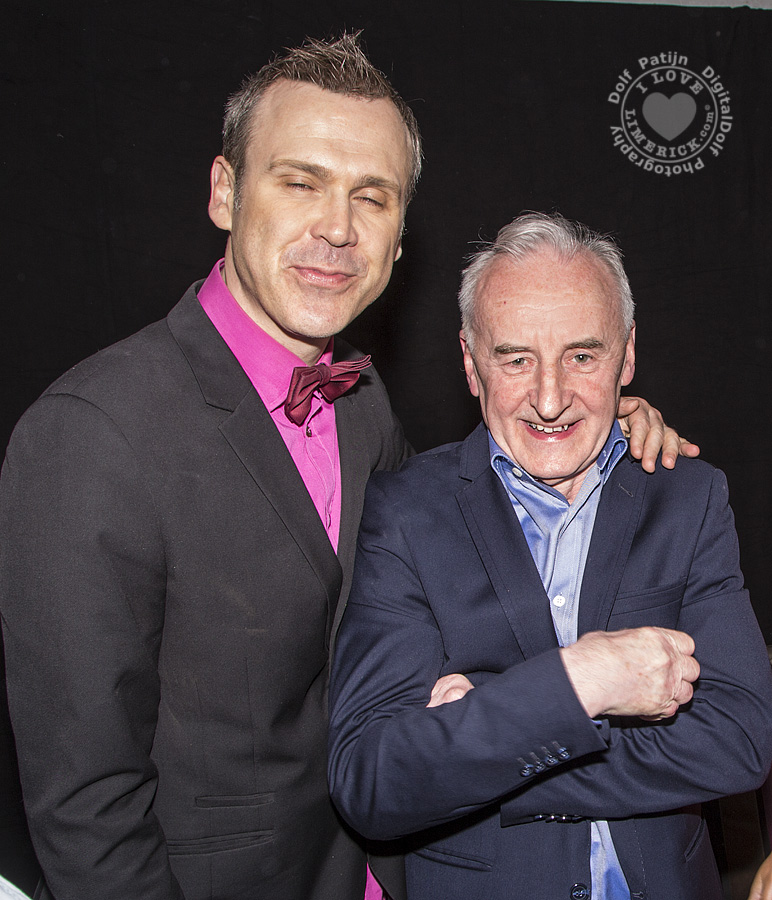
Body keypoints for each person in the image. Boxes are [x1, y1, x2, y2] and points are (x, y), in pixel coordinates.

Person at [0, 35, 692, 900]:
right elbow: (86, 812)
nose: (337, 228)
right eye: (301, 183)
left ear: (400, 240)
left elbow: (456, 520)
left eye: (372, 196)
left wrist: (596, 425)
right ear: (224, 192)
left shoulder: (363, 404)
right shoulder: (90, 432)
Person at [328, 212, 772, 900]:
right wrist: (583, 681)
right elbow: (374, 781)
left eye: (582, 357)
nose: (550, 398)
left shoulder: (687, 497)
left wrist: (489, 738)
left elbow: (739, 739)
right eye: (516, 359)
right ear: (471, 363)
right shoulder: (408, 513)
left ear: (626, 355)